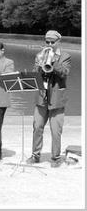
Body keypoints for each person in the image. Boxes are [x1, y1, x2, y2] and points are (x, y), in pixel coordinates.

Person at [26, 30, 71, 168]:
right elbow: (34, 74)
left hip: (57, 98)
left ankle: (56, 157)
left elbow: (64, 72)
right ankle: (35, 155)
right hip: (41, 97)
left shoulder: (65, 56)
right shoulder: (39, 55)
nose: (50, 44)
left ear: (58, 42)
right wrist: (40, 65)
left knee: (56, 130)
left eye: (53, 42)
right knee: (37, 126)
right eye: (47, 42)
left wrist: (52, 61)